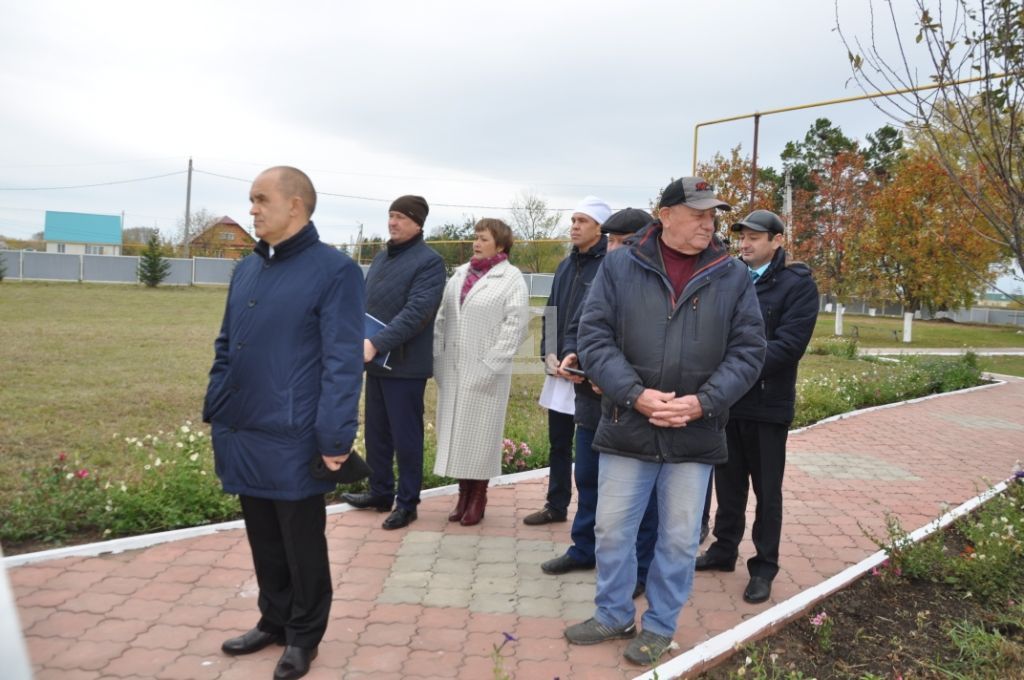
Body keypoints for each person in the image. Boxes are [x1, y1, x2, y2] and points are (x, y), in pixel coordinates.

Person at [565, 177, 765, 666]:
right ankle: (613, 613)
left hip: (693, 429)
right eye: (697, 212)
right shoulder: (620, 265)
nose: (708, 222)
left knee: (677, 537)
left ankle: (658, 626)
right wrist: (635, 395)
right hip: (629, 423)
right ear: (666, 214)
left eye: (712, 214)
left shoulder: (731, 274)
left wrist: (702, 403)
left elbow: (749, 350)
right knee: (612, 529)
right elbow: (594, 338)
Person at [204, 166, 364, 680]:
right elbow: (227, 343)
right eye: (251, 200)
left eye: (260, 199)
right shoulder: (248, 268)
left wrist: (336, 438)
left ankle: (303, 636)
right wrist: (217, 401)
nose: (251, 209)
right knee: (262, 534)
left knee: (301, 541)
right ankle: (273, 619)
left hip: (295, 433)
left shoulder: (335, 271)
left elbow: (342, 361)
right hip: (244, 426)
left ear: (295, 205)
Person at [696, 209, 819, 604]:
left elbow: (788, 346)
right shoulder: (732, 276)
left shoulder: (797, 285)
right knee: (728, 485)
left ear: (777, 241)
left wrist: (735, 368)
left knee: (767, 491)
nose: (745, 244)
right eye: (742, 237)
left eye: (754, 237)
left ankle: (764, 566)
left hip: (767, 404)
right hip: (729, 402)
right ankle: (723, 550)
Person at [541, 208, 659, 601]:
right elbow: (577, 325)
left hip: (635, 410)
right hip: (592, 405)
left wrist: (613, 381)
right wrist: (571, 352)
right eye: (609, 241)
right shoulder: (604, 278)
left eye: (621, 241)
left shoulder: (660, 285)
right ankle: (584, 549)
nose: (613, 249)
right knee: (587, 479)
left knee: (641, 496)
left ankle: (643, 569)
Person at [341, 195, 446, 530]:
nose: (392, 222)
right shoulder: (384, 256)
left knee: (406, 437)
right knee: (377, 433)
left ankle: (408, 502)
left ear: (417, 222)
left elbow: (417, 312)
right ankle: (380, 491)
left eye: (400, 216)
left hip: (405, 365)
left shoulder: (429, 262)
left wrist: (375, 343)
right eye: (390, 215)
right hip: (375, 361)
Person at [432, 219, 529, 526]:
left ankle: (478, 497)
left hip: (487, 372)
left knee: (480, 437)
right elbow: (442, 318)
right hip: (455, 369)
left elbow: (515, 327)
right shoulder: (460, 274)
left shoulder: (511, 278)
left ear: (500, 245)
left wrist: (491, 365)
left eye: (483, 238)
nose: (476, 242)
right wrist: (438, 357)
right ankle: (462, 494)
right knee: (458, 436)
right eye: (475, 237)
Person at [524, 195, 612, 526]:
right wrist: (547, 353)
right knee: (558, 442)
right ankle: (556, 504)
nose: (574, 227)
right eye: (573, 221)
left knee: (591, 447)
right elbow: (551, 312)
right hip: (558, 366)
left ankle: (596, 516)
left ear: (599, 227)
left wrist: (584, 362)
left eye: (582, 221)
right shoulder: (565, 265)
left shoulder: (608, 265)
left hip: (587, 374)